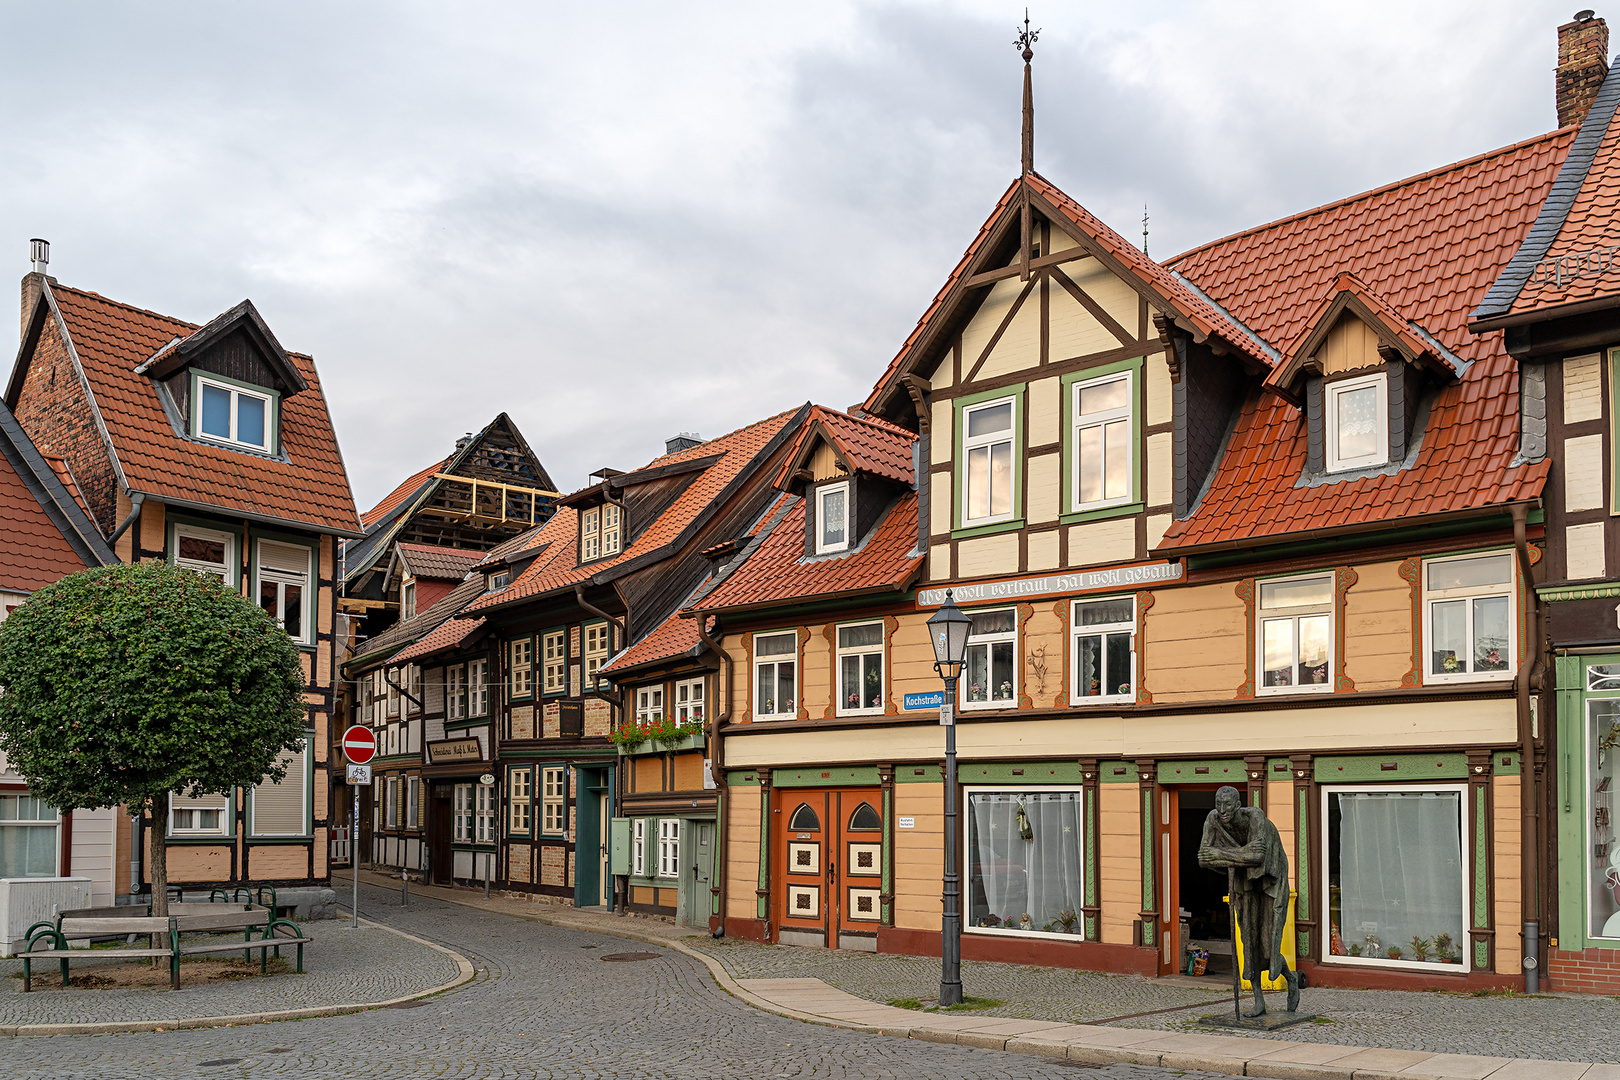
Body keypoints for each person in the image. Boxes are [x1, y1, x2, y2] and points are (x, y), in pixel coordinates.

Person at [1196, 785, 1300, 1016]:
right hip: (1244, 883)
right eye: (1218, 803)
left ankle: (1291, 979)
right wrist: (1244, 853)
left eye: (1227, 804)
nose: (1222, 810)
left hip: (1270, 880)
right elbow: (1203, 858)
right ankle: (1258, 1001)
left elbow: (1259, 856)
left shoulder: (1255, 817)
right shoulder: (1212, 820)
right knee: (1248, 940)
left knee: (1266, 943)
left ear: (1238, 805)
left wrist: (1221, 855)